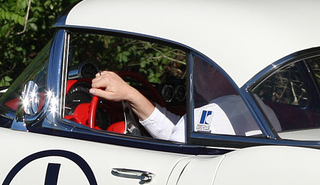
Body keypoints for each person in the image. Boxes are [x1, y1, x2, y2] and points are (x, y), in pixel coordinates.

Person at [89, 57, 272, 141]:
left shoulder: (210, 118)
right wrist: (130, 94)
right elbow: (180, 131)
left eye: (194, 65)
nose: (189, 75)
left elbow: (171, 151)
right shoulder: (262, 109)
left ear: (212, 69)